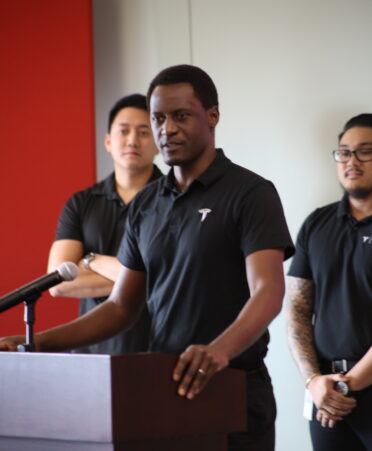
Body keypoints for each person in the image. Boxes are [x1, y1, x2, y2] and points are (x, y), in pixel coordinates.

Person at [0, 65, 294, 451]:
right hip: (165, 389)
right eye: (158, 118)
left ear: (213, 116)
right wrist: (34, 344)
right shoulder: (146, 205)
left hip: (233, 387)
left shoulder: (250, 193)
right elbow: (122, 306)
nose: (166, 129)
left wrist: (217, 351)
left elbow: (269, 292)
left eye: (181, 116)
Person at [47, 94, 162, 354]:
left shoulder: (174, 201)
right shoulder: (81, 203)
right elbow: (57, 282)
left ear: (157, 143)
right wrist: (141, 280)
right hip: (91, 350)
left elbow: (171, 277)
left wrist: (89, 261)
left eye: (144, 132)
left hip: (156, 348)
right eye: (124, 131)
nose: (133, 140)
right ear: (108, 141)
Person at [286, 114, 372, 450]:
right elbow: (296, 308)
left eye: (365, 151)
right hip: (326, 395)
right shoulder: (316, 225)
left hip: (345, 389)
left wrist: (346, 386)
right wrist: (313, 381)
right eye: (344, 152)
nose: (352, 161)